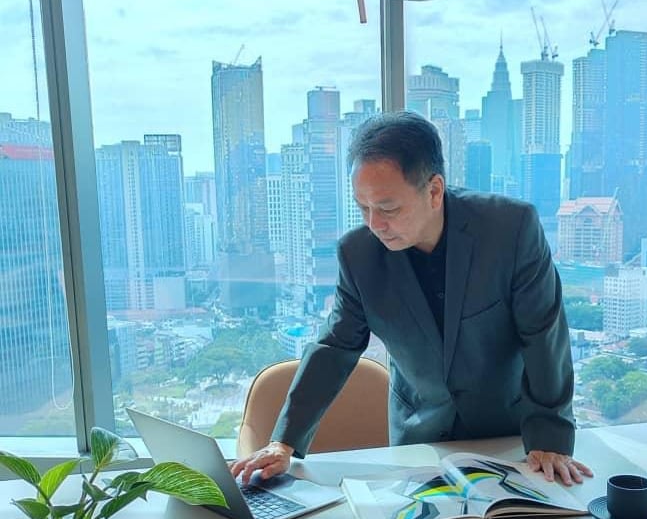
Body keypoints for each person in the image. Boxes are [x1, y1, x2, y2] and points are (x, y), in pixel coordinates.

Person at [232, 112, 592, 487]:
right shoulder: (358, 256)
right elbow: (335, 347)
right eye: (363, 208)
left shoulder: (511, 230)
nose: (374, 224)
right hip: (419, 441)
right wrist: (283, 442)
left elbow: (544, 336)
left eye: (388, 208)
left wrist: (551, 438)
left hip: (509, 438)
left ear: (434, 191)